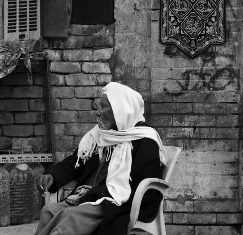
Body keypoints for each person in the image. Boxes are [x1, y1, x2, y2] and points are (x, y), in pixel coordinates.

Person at [36, 82, 164, 235]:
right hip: (88, 197)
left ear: (121, 110)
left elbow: (140, 187)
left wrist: (97, 192)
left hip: (114, 202)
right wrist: (53, 175)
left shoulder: (144, 140)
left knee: (70, 218)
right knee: (48, 211)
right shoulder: (102, 135)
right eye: (98, 107)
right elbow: (76, 162)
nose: (97, 112)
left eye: (104, 107)